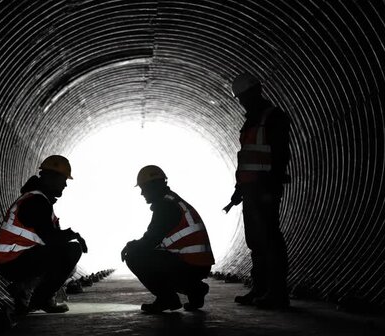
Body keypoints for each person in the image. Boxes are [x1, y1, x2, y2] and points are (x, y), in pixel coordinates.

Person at [224, 73, 291, 309]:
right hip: (251, 189)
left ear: (254, 92)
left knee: (270, 239)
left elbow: (281, 154)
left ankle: (277, 292)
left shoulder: (272, 117)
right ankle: (260, 288)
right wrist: (239, 190)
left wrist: (271, 185)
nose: (242, 101)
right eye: (240, 98)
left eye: (243, 96)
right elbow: (246, 160)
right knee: (255, 241)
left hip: (264, 188)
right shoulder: (251, 120)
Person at [0, 155, 87, 314]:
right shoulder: (36, 202)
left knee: (69, 258)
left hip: (16, 259)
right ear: (52, 177)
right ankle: (38, 297)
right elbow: (50, 239)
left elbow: (48, 235)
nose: (65, 184)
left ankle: (27, 288)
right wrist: (73, 235)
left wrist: (69, 235)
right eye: (63, 179)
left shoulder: (38, 199)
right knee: (71, 251)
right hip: (15, 261)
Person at [121, 165, 215, 313]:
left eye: (143, 188)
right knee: (148, 254)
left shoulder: (165, 206)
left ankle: (167, 299)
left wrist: (130, 246)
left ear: (153, 186)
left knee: (134, 256)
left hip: (189, 265)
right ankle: (195, 289)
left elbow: (151, 239)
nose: (142, 193)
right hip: (198, 264)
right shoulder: (172, 201)